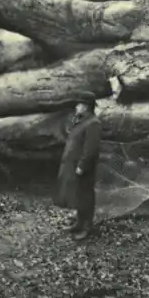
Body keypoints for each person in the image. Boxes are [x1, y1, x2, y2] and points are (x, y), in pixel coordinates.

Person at [55, 98, 101, 241]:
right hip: (73, 165)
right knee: (79, 195)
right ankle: (79, 222)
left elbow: (91, 149)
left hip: (83, 167)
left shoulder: (94, 123)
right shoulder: (82, 121)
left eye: (79, 104)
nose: (76, 107)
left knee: (86, 196)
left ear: (86, 107)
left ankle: (87, 227)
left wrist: (82, 165)